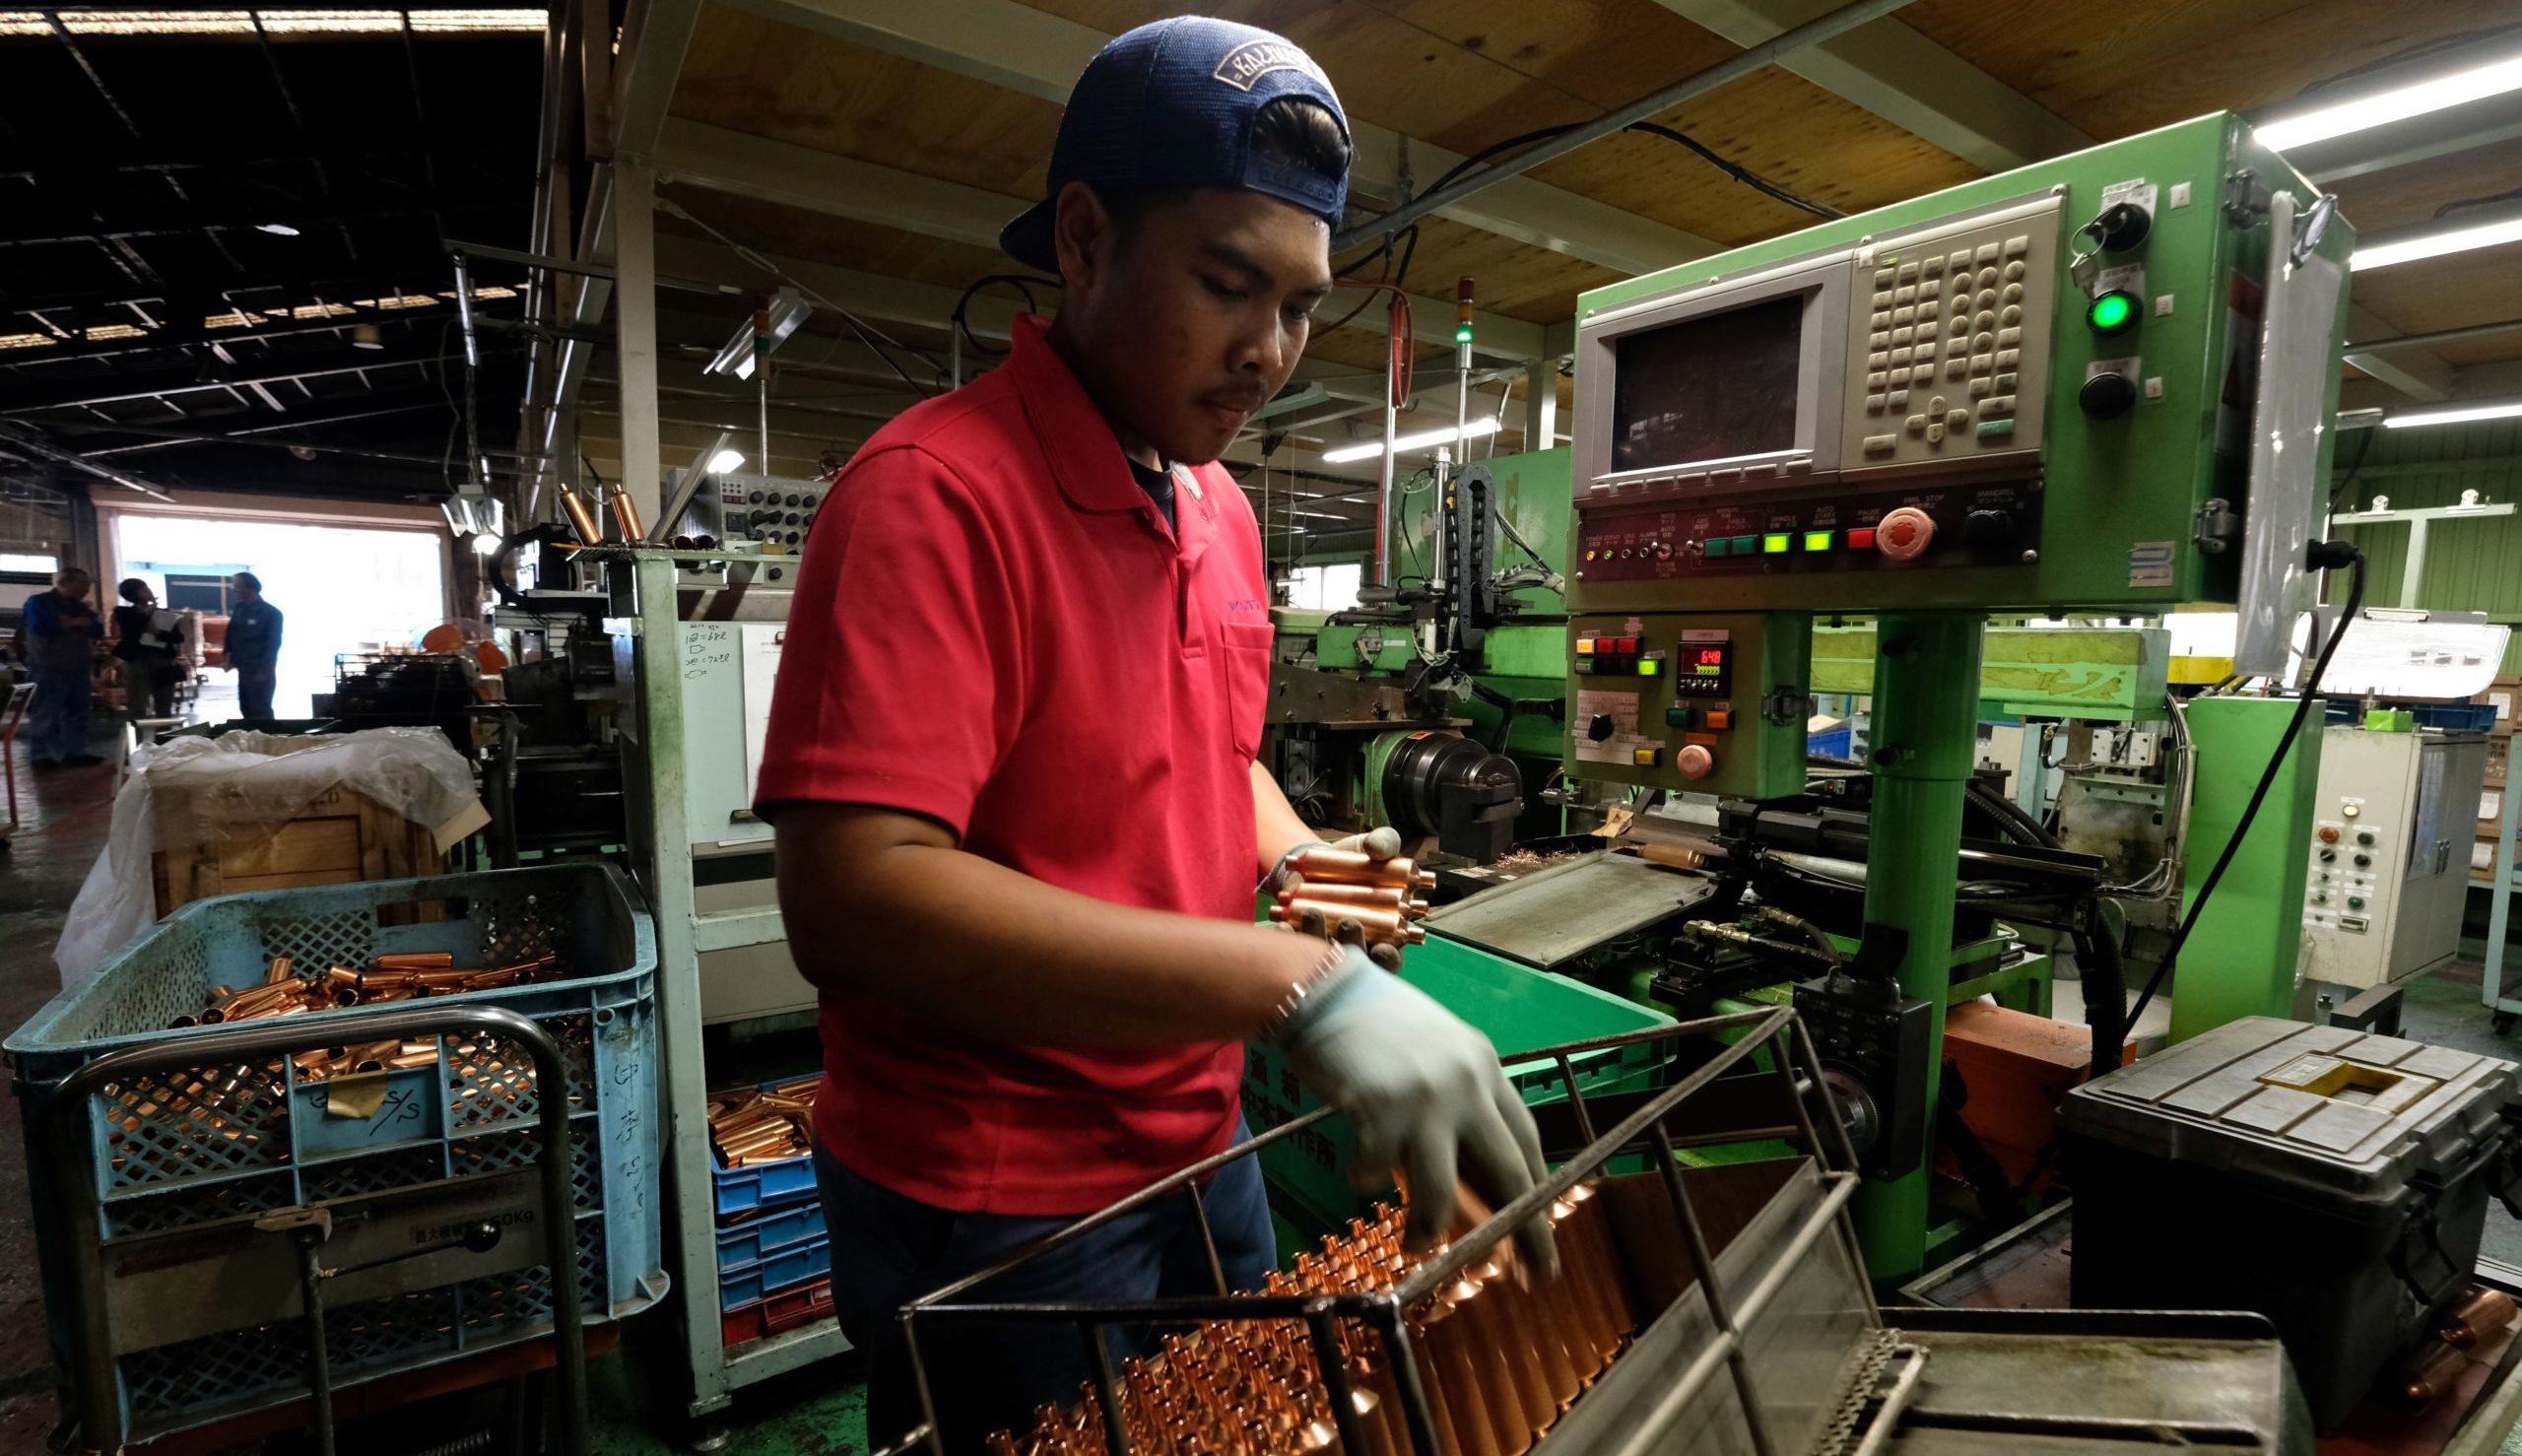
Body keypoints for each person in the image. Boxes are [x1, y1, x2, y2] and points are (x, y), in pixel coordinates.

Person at [756, 19, 1548, 1449]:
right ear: (1082, 239)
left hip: (1196, 1135)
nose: (1270, 350)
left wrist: (1300, 858)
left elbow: (1206, 748)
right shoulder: (932, 496)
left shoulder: (1218, 509)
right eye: (1228, 284)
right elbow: (856, 897)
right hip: (999, 1185)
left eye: (1302, 305)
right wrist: (1291, 985)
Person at [18, 567, 105, 767]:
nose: (86, 589)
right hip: (48, 667)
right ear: (64, 583)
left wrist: (72, 622)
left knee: (78, 712)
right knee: (45, 713)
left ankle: (76, 752)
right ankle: (41, 755)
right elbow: (41, 626)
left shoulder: (81, 608)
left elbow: (98, 630)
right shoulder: (39, 603)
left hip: (79, 668)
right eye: (81, 583)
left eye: (87, 584)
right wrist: (75, 623)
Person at [111, 578, 186, 723]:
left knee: (164, 709)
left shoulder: (164, 613)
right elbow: (131, 631)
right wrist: (146, 615)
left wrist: (158, 633)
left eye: (147, 588)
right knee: (137, 708)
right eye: (143, 590)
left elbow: (178, 637)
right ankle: (137, 743)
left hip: (162, 663)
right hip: (137, 663)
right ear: (133, 595)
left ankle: (162, 742)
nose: (148, 592)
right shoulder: (123, 612)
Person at [224, 571, 282, 721]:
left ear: (250, 587)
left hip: (259, 671)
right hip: (243, 669)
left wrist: (264, 670)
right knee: (246, 708)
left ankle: (267, 740)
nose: (234, 589)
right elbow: (231, 633)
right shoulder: (239, 608)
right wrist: (228, 655)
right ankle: (252, 741)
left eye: (237, 586)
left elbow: (273, 644)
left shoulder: (271, 613)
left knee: (260, 710)